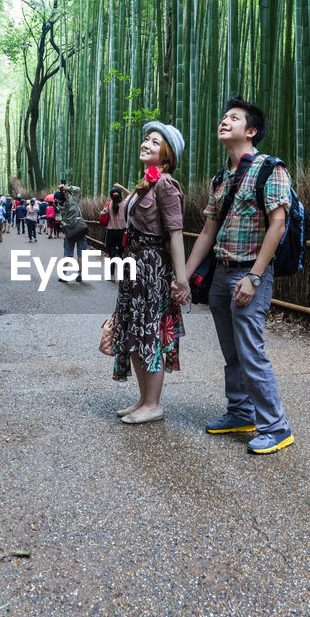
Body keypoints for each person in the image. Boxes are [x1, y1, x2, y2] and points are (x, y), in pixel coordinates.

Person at [183, 97, 294, 455]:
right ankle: (241, 411)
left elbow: (278, 225)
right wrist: (184, 276)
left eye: (233, 118)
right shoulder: (221, 176)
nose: (224, 122)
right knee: (232, 352)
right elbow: (207, 231)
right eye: (223, 117)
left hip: (249, 273)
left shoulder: (269, 169)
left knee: (251, 351)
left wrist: (256, 277)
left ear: (251, 131)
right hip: (221, 273)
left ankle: (276, 427)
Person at [111, 122, 189, 425]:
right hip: (134, 266)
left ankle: (154, 403)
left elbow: (176, 233)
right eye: (146, 139)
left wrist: (180, 279)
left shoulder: (167, 184)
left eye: (155, 142)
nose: (146, 143)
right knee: (133, 330)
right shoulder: (146, 183)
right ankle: (143, 399)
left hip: (152, 268)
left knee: (150, 333)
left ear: (166, 154)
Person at [55, 180, 88, 283]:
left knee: (67, 254)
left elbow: (61, 221)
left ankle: (64, 275)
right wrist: (66, 188)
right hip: (80, 230)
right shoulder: (73, 201)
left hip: (70, 232)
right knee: (80, 254)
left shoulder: (60, 207)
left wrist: (63, 192)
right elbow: (78, 190)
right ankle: (80, 274)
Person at [102, 185, 128, 274]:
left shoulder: (108, 205)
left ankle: (112, 275)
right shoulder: (125, 204)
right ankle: (122, 274)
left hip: (111, 233)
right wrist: (121, 187)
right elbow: (131, 194)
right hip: (122, 233)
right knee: (122, 254)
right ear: (120, 195)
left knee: (112, 255)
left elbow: (103, 215)